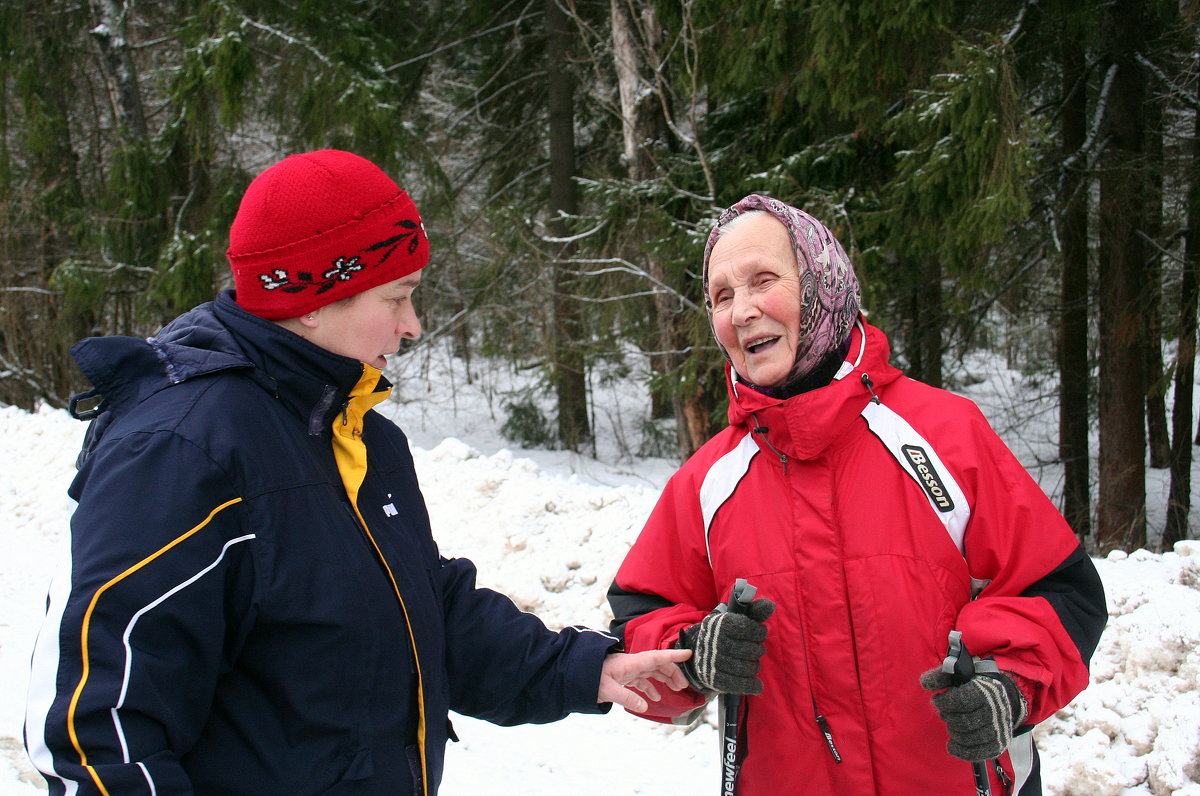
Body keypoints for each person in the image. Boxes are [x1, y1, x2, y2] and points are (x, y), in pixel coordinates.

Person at [23, 149, 690, 796]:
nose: (413, 326)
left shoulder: (355, 432)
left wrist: (593, 668)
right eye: (398, 298)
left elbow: (422, 607)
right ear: (312, 298)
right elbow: (96, 726)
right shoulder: (182, 449)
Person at [607, 194, 1107, 795]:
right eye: (720, 296)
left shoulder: (946, 435)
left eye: (762, 280)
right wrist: (693, 650)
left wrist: (1010, 686)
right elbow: (640, 626)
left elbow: (1059, 591)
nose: (741, 311)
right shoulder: (709, 481)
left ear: (822, 281)